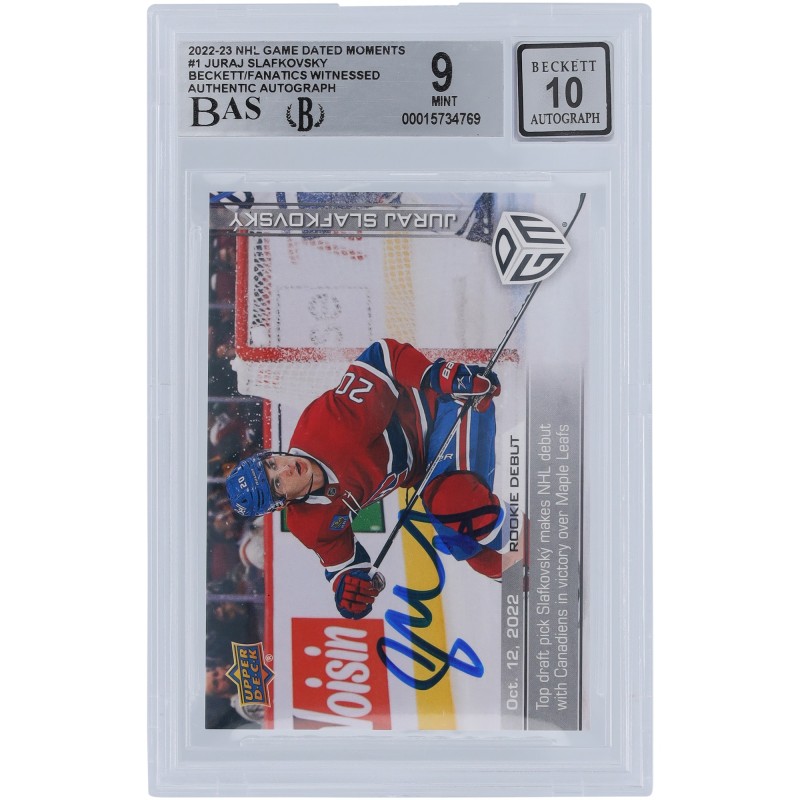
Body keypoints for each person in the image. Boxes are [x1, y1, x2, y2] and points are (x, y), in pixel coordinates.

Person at [226, 339, 511, 621]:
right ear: (281, 504)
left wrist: (436, 375)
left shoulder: (329, 424)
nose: (286, 469)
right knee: (463, 544)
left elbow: (382, 356)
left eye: (272, 464)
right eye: (277, 483)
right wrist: (349, 589)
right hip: (427, 468)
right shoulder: (310, 525)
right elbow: (344, 566)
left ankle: (533, 543)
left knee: (452, 505)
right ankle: (523, 575)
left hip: (445, 407)